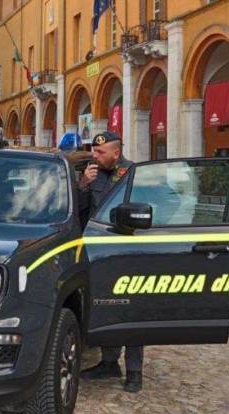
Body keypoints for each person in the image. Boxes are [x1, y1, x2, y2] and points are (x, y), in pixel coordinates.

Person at [76, 131, 143, 393]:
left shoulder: (135, 174)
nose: (94, 155)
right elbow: (79, 212)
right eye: (94, 150)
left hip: (128, 252)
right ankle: (108, 362)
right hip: (99, 253)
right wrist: (82, 184)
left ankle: (135, 371)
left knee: (132, 310)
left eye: (100, 152)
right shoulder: (91, 174)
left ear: (116, 153)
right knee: (103, 307)